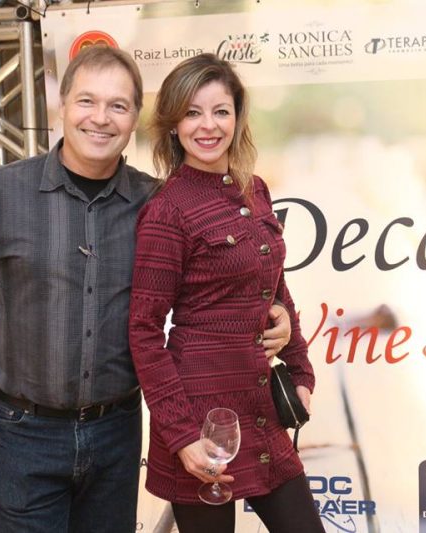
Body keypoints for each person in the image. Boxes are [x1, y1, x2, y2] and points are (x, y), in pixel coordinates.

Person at [0, 46, 291, 532]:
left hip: (116, 436)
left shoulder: (156, 203)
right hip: (24, 437)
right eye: (87, 101)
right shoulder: (2, 193)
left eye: (118, 106)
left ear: (135, 119)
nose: (101, 118)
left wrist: (275, 310)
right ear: (62, 105)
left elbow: (226, 278)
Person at [129, 53, 325, 532]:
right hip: (201, 419)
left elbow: (276, 288)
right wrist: (180, 436)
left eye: (221, 111)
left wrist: (300, 368)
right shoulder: (167, 210)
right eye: (193, 113)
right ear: (173, 124)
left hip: (260, 413)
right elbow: (144, 330)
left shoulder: (255, 190)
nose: (208, 125)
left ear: (237, 118)